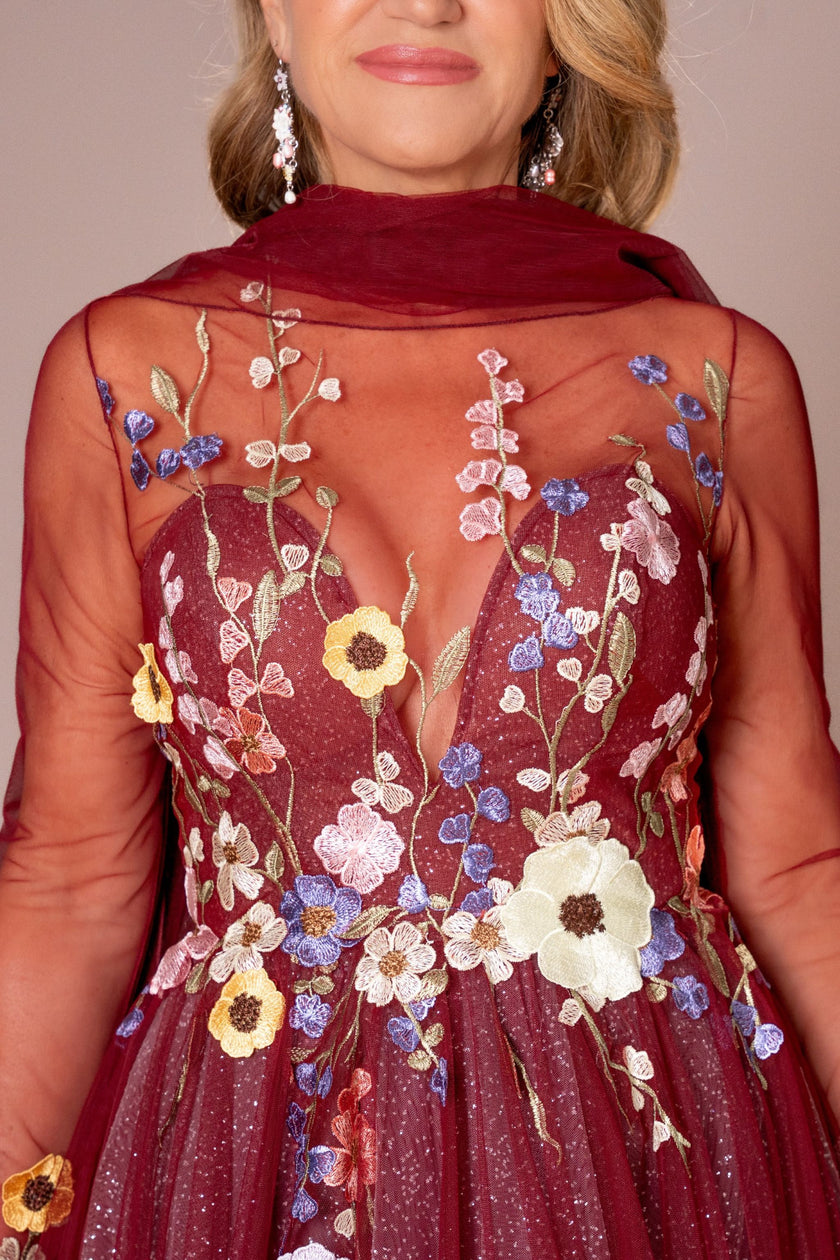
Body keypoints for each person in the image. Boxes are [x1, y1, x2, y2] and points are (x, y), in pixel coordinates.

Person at [1, 0, 839, 1256]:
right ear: (275, 16)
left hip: (649, 1162)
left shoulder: (716, 379)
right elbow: (71, 881)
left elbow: (797, 871)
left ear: (565, 30)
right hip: (254, 1163)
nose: (426, 0)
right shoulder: (122, 372)